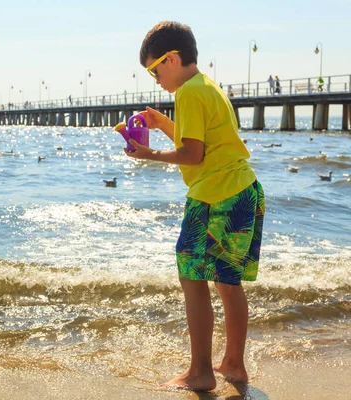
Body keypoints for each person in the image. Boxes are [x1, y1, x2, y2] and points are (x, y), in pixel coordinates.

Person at [125, 21, 265, 392]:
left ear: (172, 58)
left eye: (154, 70)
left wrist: (149, 154)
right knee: (227, 282)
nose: (154, 79)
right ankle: (234, 364)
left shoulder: (187, 93)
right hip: (242, 190)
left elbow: (193, 154)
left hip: (213, 195)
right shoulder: (208, 87)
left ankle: (200, 372)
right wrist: (162, 124)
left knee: (191, 275)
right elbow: (201, 143)